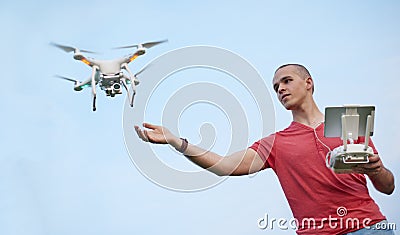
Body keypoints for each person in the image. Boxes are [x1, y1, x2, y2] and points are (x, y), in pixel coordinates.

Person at [134, 64, 395, 234]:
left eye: (287, 81)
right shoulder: (276, 143)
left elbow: (388, 186)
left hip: (369, 227)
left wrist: (377, 169)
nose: (280, 89)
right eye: (276, 87)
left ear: (309, 83)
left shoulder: (347, 125)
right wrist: (175, 141)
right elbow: (225, 166)